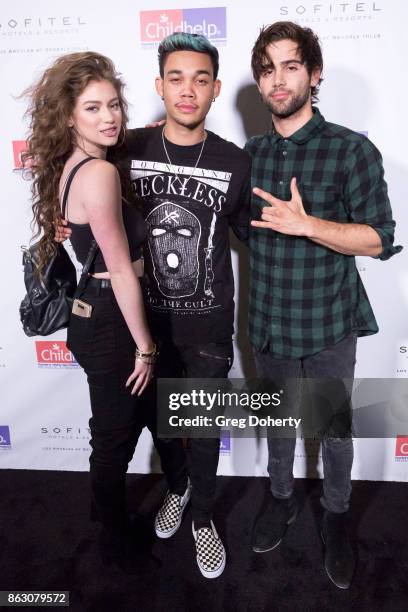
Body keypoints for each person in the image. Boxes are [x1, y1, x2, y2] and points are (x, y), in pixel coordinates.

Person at [58, 33, 251, 579]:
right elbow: (89, 206)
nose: (187, 90)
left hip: (208, 327)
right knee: (164, 426)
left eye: (201, 79)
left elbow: (252, 233)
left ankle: (206, 519)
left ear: (214, 89)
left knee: (205, 427)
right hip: (141, 325)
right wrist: (66, 234)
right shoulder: (125, 149)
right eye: (176, 77)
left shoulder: (235, 163)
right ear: (159, 85)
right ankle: (178, 488)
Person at [246, 22, 402, 589]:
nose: (278, 78)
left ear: (314, 75)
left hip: (330, 320)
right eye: (267, 68)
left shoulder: (351, 149)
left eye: (291, 65)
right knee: (279, 423)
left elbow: (380, 239)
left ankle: (337, 517)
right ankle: (281, 499)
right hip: (267, 319)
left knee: (333, 430)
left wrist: (307, 224)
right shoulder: (251, 155)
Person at [23, 51, 157, 568]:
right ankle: (114, 539)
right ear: (70, 116)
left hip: (94, 317)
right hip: (110, 321)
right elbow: (121, 270)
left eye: (114, 104)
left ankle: (109, 516)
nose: (109, 117)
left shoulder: (73, 166)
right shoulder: (98, 172)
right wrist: (145, 348)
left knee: (125, 423)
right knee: (113, 436)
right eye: (93, 108)